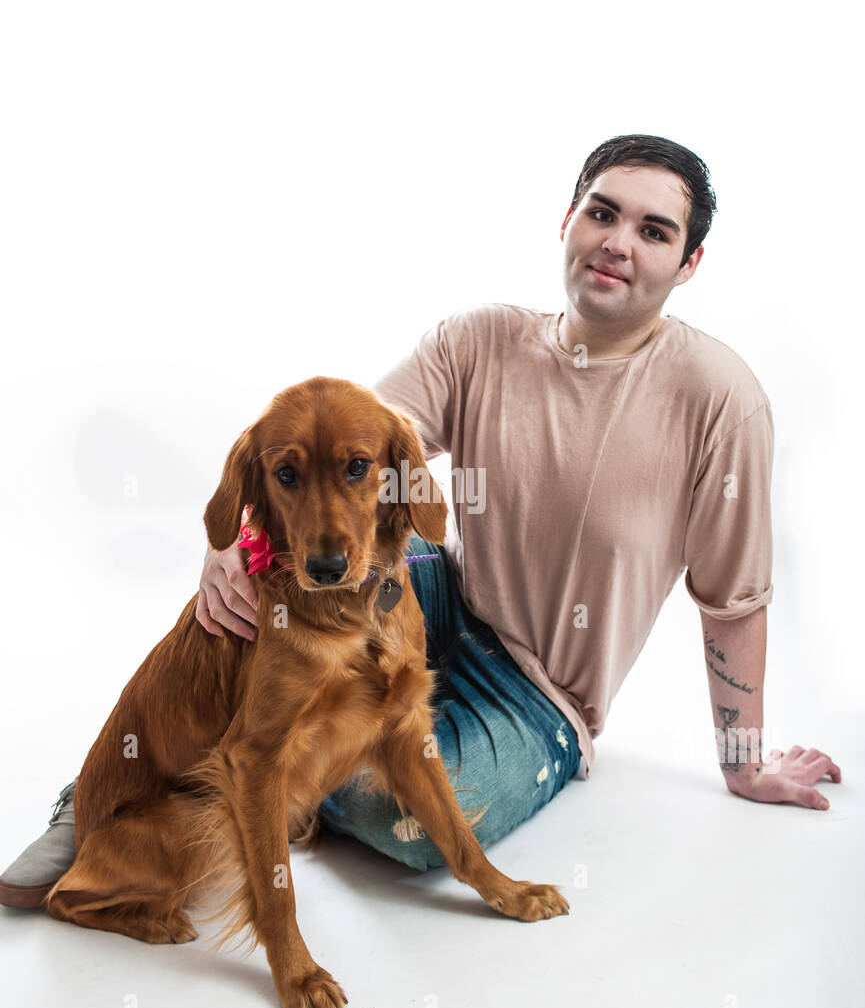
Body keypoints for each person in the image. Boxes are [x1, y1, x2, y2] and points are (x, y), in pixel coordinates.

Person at [0, 132, 840, 909]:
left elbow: (734, 599)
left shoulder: (720, 400)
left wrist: (741, 765)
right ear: (568, 222)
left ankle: (254, 782)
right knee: (248, 606)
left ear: (688, 263)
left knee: (396, 826)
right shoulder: (477, 340)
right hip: (437, 599)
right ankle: (106, 804)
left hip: (538, 695)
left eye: (654, 231)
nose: (618, 241)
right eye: (602, 212)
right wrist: (234, 543)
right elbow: (345, 453)